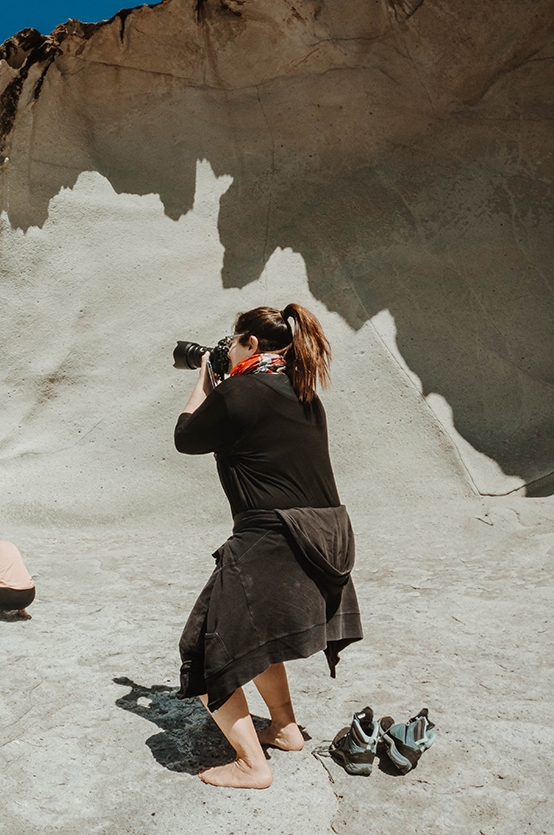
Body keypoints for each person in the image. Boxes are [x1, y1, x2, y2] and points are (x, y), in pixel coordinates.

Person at [174, 304, 362, 789]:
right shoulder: (304, 392)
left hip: (273, 538)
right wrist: (225, 379)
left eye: (232, 342)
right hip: (326, 534)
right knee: (252, 636)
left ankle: (252, 765)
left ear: (251, 344)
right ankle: (285, 729)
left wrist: (203, 377)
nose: (227, 350)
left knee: (204, 651)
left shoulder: (241, 389)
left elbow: (186, 436)